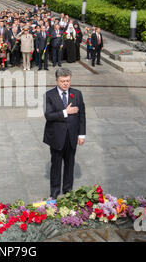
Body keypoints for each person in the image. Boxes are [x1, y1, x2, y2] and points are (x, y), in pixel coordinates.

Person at [43, 68, 86, 199]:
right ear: (57, 81)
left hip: (72, 137)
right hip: (56, 137)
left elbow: (82, 115)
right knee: (56, 165)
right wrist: (65, 112)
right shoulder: (49, 95)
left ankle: (68, 190)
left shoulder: (77, 94)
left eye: (68, 81)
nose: (65, 84)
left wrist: (82, 134)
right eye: (62, 81)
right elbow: (48, 115)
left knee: (70, 164)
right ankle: (55, 190)